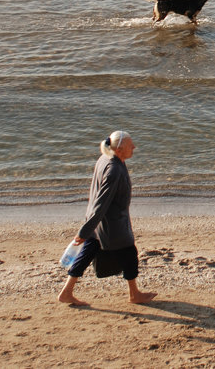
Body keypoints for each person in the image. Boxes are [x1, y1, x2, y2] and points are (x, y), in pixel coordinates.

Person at [58, 131, 157, 306]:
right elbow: (102, 202)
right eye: (130, 145)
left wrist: (89, 229)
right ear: (119, 149)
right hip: (112, 224)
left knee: (87, 252)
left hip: (99, 223)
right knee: (130, 255)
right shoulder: (114, 169)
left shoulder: (105, 159)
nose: (134, 147)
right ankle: (134, 294)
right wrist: (84, 231)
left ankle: (67, 292)